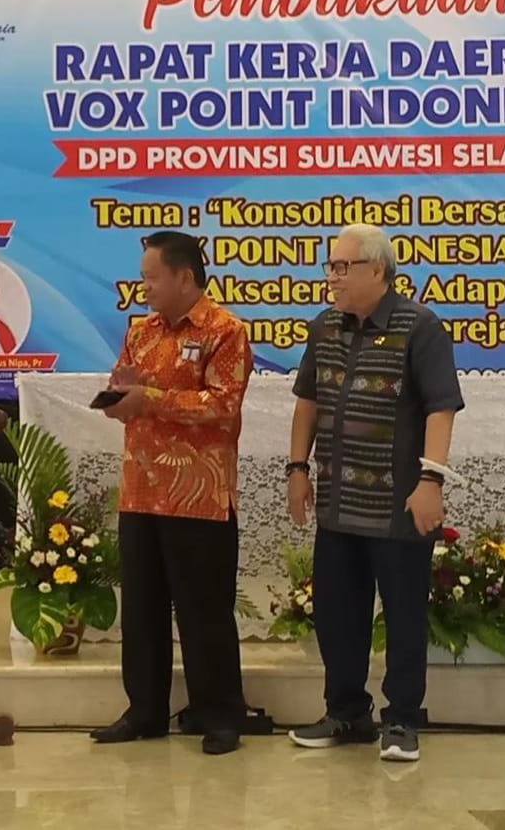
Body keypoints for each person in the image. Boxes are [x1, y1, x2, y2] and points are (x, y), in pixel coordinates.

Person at [285, 224, 463, 763]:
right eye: (330, 267)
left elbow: (441, 407)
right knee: (337, 614)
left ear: (378, 270)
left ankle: (402, 719)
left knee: (404, 615)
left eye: (343, 267)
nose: (332, 277)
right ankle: (346, 713)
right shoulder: (324, 326)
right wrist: (297, 468)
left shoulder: (419, 326)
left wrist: (431, 480)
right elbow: (308, 400)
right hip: (338, 502)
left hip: (399, 503)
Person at [89, 230, 252, 756]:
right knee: (141, 609)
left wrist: (150, 398)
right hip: (141, 489)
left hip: (198, 493)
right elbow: (127, 398)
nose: (145, 288)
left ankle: (220, 714)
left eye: (152, 278)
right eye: (143, 278)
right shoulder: (141, 330)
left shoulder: (225, 330)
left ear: (184, 277)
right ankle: (145, 711)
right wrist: (119, 400)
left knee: (204, 611)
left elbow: (223, 404)